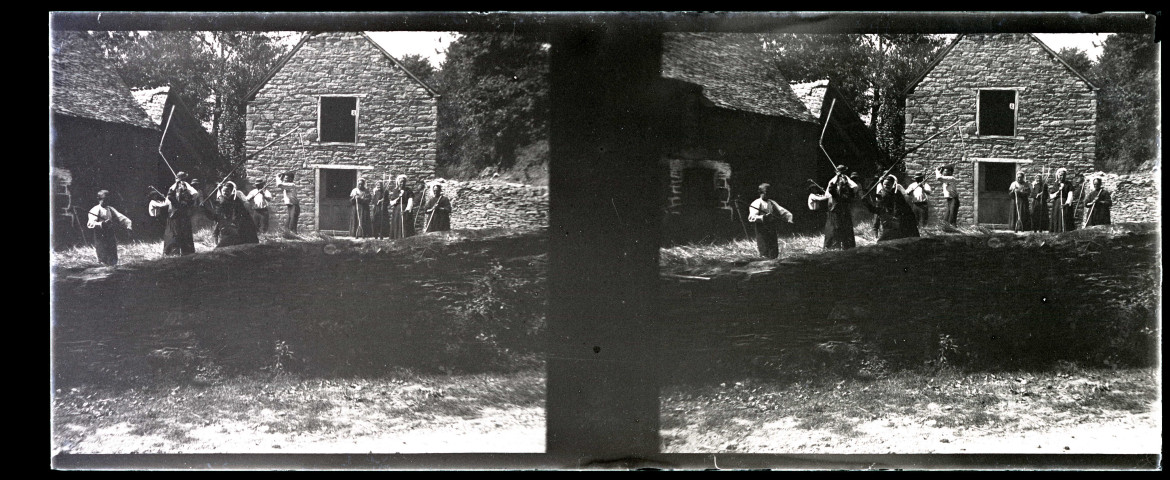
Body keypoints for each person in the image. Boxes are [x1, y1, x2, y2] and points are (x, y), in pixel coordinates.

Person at [864, 174, 920, 241]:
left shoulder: (896, 194)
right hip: (891, 222)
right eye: (885, 184)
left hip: (901, 222)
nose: (886, 186)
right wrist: (866, 203)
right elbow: (877, 209)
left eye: (888, 184)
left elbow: (902, 207)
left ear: (892, 185)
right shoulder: (883, 194)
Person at [747, 183, 793, 259]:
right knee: (764, 247)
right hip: (761, 228)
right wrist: (763, 217)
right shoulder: (756, 203)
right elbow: (751, 217)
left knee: (773, 247)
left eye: (770, 192)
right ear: (761, 193)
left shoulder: (771, 202)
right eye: (766, 192)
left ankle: (774, 261)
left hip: (771, 227)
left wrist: (789, 218)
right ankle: (765, 261)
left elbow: (782, 211)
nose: (768, 194)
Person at [87, 190, 133, 266]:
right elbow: (90, 224)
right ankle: (104, 268)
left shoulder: (110, 209)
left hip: (110, 233)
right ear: (99, 199)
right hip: (100, 235)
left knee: (113, 253)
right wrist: (102, 223)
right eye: (105, 199)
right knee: (102, 254)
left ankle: (113, 268)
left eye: (108, 199)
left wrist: (128, 225)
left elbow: (121, 217)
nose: (107, 201)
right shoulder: (95, 209)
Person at [212, 181, 260, 247]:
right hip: (224, 218)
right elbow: (221, 203)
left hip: (238, 219)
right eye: (224, 191)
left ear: (231, 191)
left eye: (227, 191)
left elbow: (241, 210)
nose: (225, 193)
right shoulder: (222, 198)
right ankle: (216, 243)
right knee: (218, 227)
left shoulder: (236, 198)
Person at [822, 165, 860, 250]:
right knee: (839, 226)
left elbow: (827, 195)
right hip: (838, 207)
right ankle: (839, 245)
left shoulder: (840, 180)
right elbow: (855, 187)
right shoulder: (836, 180)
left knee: (838, 226)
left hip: (838, 207)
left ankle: (838, 246)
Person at [164, 171, 199, 256]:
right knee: (182, 231)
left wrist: (179, 204)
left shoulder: (176, 186)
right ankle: (184, 251)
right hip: (180, 212)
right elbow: (195, 194)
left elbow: (168, 199)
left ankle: (174, 252)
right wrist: (186, 204)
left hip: (176, 213)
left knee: (175, 231)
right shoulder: (184, 185)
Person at [1049, 168, 1076, 233]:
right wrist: (1058, 192)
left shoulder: (1068, 184)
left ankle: (1065, 232)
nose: (1062, 177)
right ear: (1058, 175)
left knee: (1065, 217)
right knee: (1057, 217)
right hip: (1057, 204)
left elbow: (1070, 194)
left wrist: (1067, 203)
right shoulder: (1056, 184)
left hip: (1065, 203)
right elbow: (1051, 196)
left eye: (1063, 175)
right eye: (1060, 175)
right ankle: (1056, 232)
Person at [388, 175, 416, 239]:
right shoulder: (395, 191)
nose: (402, 183)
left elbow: (410, 200)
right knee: (397, 223)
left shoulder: (408, 190)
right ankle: (396, 237)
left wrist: (407, 210)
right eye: (401, 182)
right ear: (398, 182)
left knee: (405, 223)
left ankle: (406, 238)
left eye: (404, 182)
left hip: (405, 209)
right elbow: (391, 202)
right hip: (397, 210)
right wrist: (398, 198)